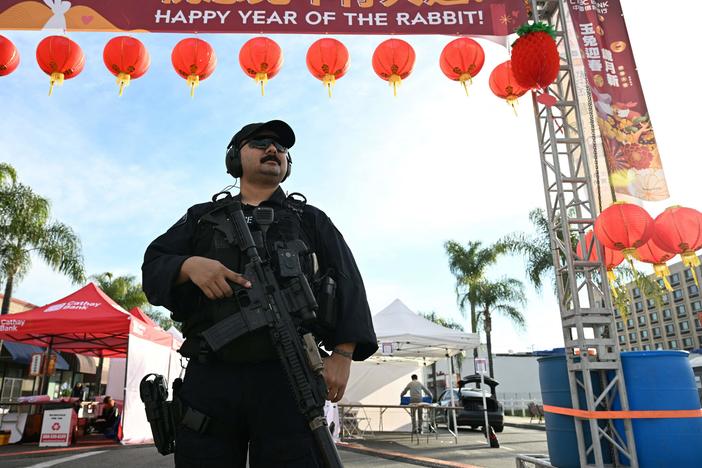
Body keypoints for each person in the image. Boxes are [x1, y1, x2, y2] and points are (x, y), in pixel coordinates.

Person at [142, 119, 377, 467]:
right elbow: (154, 265)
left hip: (289, 376)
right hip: (213, 376)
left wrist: (343, 354)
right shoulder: (202, 218)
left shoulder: (310, 219)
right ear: (235, 159)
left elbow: (349, 283)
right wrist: (189, 266)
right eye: (260, 143)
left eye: (281, 148)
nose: (273, 150)